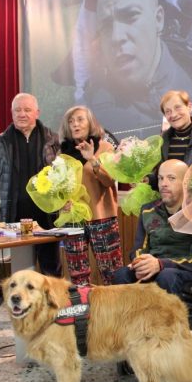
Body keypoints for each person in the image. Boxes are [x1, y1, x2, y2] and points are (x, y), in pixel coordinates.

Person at [81, 0, 192, 137]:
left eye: (130, 16)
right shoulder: (96, 113)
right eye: (106, 26)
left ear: (158, 19)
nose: (116, 37)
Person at [0, 93, 62, 276]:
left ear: (37, 112)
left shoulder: (53, 139)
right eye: (17, 110)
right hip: (14, 217)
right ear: (11, 113)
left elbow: (61, 174)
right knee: (20, 273)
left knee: (51, 270)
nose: (22, 114)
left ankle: (52, 305)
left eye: (27, 110)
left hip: (47, 218)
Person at [113, 159, 192, 295]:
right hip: (153, 266)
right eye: (161, 179)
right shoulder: (148, 210)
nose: (164, 184)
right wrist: (140, 263)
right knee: (121, 274)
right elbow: (138, 248)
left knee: (166, 276)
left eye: (171, 178)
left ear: (186, 183)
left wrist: (161, 264)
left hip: (184, 270)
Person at [58, 106, 123, 286]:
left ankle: (117, 313)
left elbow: (110, 181)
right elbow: (58, 187)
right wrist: (61, 202)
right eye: (71, 122)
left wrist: (92, 159)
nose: (75, 125)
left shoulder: (105, 147)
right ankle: (84, 312)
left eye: (80, 120)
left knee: (112, 272)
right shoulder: (62, 154)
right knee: (78, 276)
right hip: (73, 220)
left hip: (101, 218)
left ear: (90, 123)